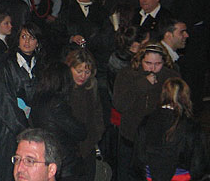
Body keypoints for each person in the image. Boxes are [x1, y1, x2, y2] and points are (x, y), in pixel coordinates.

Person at [113, 44, 178, 181]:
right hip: (130, 137)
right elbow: (120, 104)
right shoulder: (127, 75)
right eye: (148, 63)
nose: (153, 68)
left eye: (158, 64)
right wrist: (142, 84)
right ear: (140, 60)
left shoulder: (170, 77)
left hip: (157, 141)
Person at [0, 23, 44, 181]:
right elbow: (6, 103)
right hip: (10, 132)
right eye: (23, 37)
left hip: (35, 128)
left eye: (31, 37)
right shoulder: (7, 65)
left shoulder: (41, 66)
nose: (27, 41)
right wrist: (24, 131)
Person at [134, 78, 209, 181]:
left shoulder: (147, 121)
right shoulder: (191, 126)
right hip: (181, 177)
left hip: (150, 176)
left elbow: (139, 157)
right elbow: (198, 163)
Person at [29, 61, 87, 181]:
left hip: (46, 158)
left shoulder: (37, 100)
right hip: (64, 162)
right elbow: (79, 132)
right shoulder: (57, 104)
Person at [65, 48, 105, 181]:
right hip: (69, 150)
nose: (83, 76)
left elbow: (98, 114)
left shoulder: (92, 87)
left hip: (88, 148)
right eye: (79, 71)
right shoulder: (64, 88)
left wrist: (95, 137)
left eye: (87, 72)